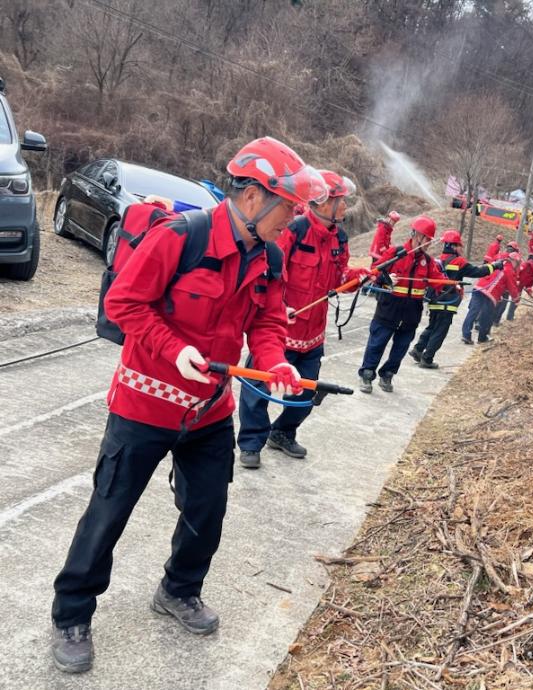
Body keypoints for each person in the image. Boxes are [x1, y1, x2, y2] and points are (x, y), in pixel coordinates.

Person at [49, 137, 328, 674]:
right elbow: (124, 303)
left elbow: (267, 322)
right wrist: (175, 351)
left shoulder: (269, 256)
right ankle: (71, 614)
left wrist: (277, 362)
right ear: (252, 198)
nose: (293, 221)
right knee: (109, 511)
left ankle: (179, 589)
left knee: (207, 509)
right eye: (289, 208)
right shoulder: (179, 238)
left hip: (209, 412)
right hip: (143, 406)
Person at [236, 170, 369, 469]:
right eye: (341, 201)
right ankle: (250, 443)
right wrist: (279, 307)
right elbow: (268, 273)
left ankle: (282, 432)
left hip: (313, 336)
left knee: (307, 392)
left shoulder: (341, 238)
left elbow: (339, 277)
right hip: (280, 331)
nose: (346, 207)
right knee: (259, 388)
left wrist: (357, 278)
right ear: (323, 203)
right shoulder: (292, 231)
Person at [358, 216, 446, 393]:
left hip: (411, 314)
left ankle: (388, 374)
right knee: (377, 343)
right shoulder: (395, 253)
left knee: (401, 348)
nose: (429, 243)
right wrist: (385, 279)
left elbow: (437, 280)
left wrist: (452, 286)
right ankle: (367, 374)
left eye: (430, 239)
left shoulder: (428, 262)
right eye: (427, 239)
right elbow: (375, 271)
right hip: (389, 309)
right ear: (417, 235)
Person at [409, 229, 503, 369]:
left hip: (435, 300)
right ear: (453, 246)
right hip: (448, 302)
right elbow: (477, 272)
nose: (461, 249)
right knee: (440, 331)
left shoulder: (438, 259)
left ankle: (417, 349)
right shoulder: (459, 262)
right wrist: (494, 266)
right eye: (460, 246)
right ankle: (427, 359)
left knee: (432, 327)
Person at [461, 253, 520, 344]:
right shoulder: (509, 270)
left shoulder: (497, 263)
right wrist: (516, 298)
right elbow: (512, 287)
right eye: (517, 263)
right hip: (490, 294)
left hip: (478, 288)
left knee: (473, 312)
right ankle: (482, 338)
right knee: (487, 317)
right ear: (514, 261)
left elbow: (497, 280)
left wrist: (499, 295)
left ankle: (466, 335)